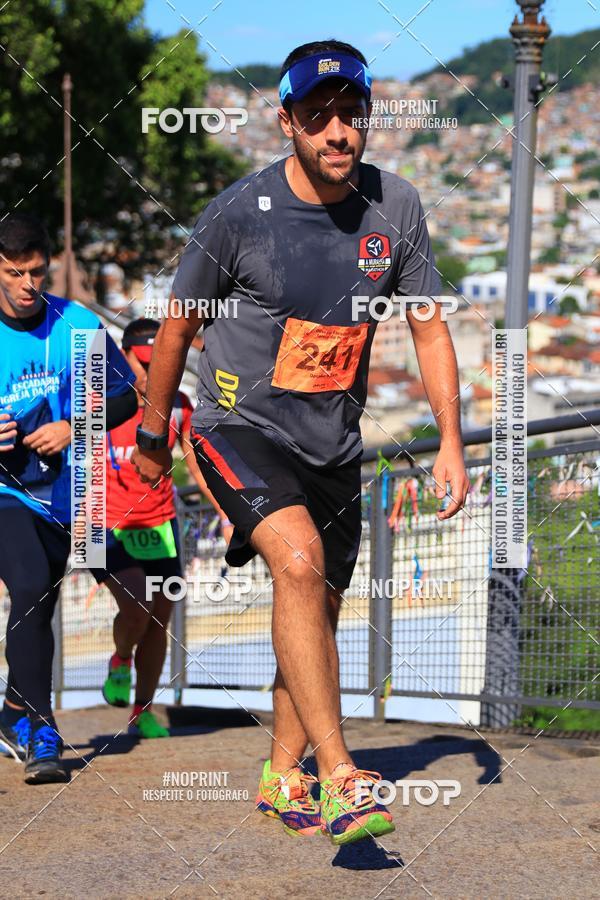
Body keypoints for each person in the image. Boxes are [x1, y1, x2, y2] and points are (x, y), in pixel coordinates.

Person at [131, 39, 470, 845]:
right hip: (233, 425)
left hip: (331, 445)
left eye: (351, 113)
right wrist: (152, 431)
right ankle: (341, 777)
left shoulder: (399, 208)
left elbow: (428, 329)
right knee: (299, 563)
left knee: (314, 604)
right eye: (317, 116)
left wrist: (451, 441)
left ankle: (284, 772)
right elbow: (176, 328)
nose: (337, 131)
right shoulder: (238, 214)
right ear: (287, 123)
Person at [0, 213, 137, 784]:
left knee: (133, 591)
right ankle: (41, 728)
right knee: (30, 587)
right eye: (14, 274)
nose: (29, 285)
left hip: (69, 493)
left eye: (37, 272)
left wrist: (77, 424)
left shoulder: (74, 324)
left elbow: (128, 397)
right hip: (5, 493)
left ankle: (13, 712)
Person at [89, 318, 232, 737]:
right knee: (136, 608)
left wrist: (225, 513)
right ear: (125, 355)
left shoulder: (179, 405)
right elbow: (77, 463)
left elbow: (198, 466)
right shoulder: (99, 403)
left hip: (160, 525)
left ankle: (142, 711)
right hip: (105, 526)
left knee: (159, 618)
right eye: (144, 362)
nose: (152, 373)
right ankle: (120, 658)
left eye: (159, 363)